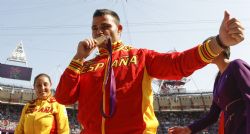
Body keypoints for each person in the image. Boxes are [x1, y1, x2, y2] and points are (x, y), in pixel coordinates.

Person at [55, 8, 244, 134]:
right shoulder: (85, 66)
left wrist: (219, 42)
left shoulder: (141, 56)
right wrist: (78, 57)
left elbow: (178, 63)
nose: (98, 32)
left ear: (119, 29)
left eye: (105, 26)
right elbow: (64, 98)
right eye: (94, 28)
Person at [168, 47, 250, 134]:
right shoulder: (218, 80)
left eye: (209, 47)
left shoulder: (236, 65)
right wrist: (188, 129)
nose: (205, 53)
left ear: (221, 49)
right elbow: (212, 116)